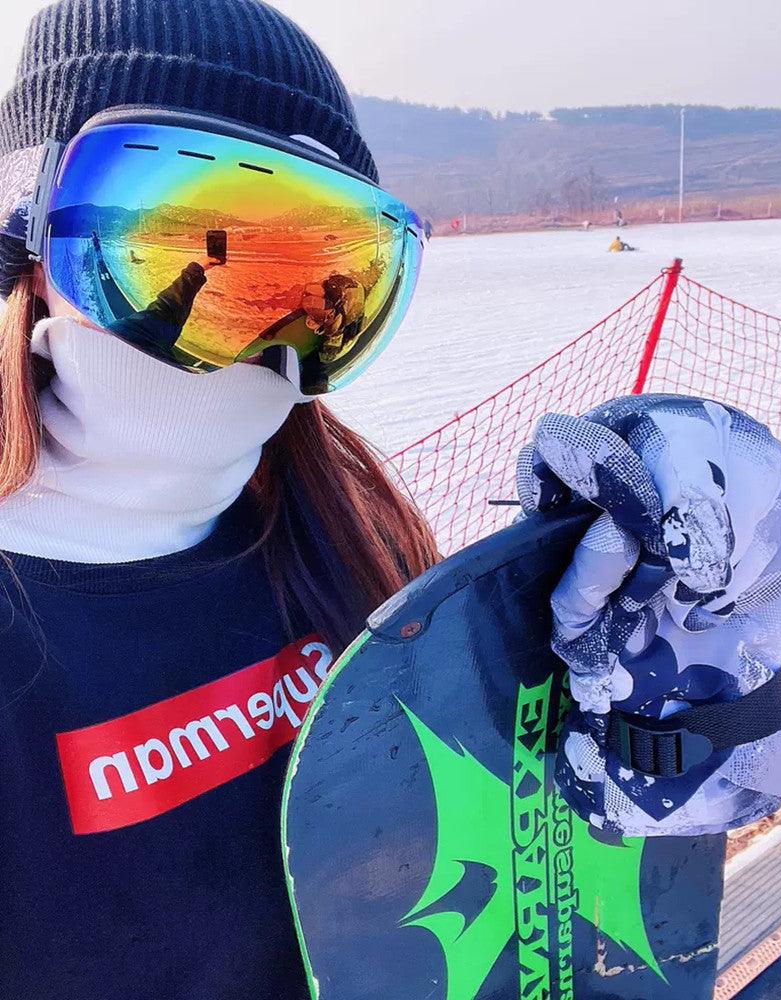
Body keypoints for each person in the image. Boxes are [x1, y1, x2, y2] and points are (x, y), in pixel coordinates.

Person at [0, 2, 437, 998]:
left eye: (319, 281)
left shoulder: (351, 542)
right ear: (26, 235)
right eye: (173, 251)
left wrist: (685, 699)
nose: (249, 340)